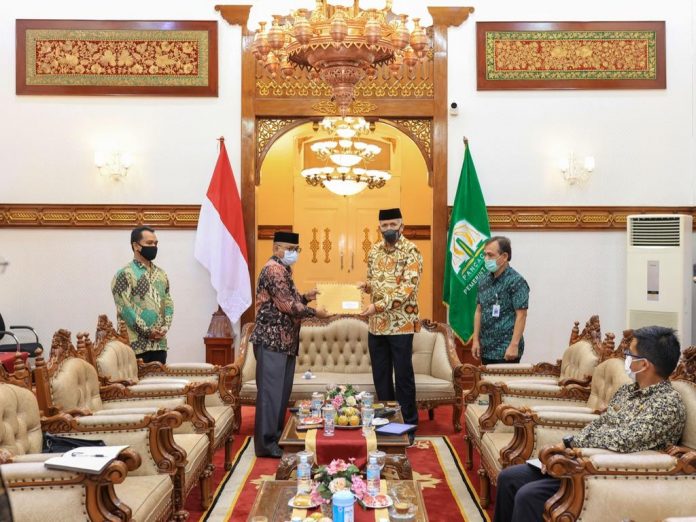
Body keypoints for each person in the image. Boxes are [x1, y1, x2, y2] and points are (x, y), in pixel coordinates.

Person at [493, 325, 686, 522]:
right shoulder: (628, 391)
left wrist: (571, 446)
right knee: (509, 478)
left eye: (630, 354)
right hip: (581, 460)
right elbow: (600, 423)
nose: (626, 358)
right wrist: (567, 448)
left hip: (607, 475)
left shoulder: (667, 404)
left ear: (644, 364)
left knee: (528, 496)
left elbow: (624, 441)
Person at [249, 231, 330, 457]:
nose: (293, 253)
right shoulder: (274, 270)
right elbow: (287, 305)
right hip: (272, 341)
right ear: (276, 248)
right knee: (270, 396)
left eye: (296, 249)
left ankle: (275, 439)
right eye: (289, 249)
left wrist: (305, 297)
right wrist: (315, 313)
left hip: (284, 343)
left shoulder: (284, 269)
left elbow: (287, 301)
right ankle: (266, 446)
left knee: (280, 395)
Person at [359, 208, 423, 443]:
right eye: (384, 225)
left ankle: (407, 426)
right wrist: (366, 287)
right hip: (376, 326)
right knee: (381, 376)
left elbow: (406, 290)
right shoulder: (374, 251)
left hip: (400, 325)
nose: (388, 229)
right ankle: (386, 424)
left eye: (392, 225)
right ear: (379, 228)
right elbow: (376, 282)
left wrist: (377, 306)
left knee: (403, 377)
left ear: (401, 226)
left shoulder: (412, 252)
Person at [111, 226, 173, 365]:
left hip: (159, 346)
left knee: (160, 380)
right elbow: (125, 309)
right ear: (136, 246)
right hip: (134, 347)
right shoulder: (124, 274)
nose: (154, 247)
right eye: (149, 243)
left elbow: (168, 303)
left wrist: (164, 328)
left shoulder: (161, 274)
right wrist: (148, 331)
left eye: (155, 243)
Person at [472, 236, 529, 365]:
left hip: (506, 349)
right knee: (486, 379)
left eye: (490, 255)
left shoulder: (516, 281)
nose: (486, 259)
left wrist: (514, 345)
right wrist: (475, 340)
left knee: (503, 379)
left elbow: (521, 315)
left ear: (504, 257)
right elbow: (479, 311)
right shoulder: (483, 280)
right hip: (486, 347)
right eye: (485, 255)